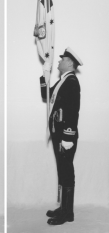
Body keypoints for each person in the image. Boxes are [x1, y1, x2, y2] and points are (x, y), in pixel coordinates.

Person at [40, 47, 83, 225]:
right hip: (59, 134)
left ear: (70, 63)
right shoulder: (63, 81)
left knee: (66, 172)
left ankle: (67, 213)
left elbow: (73, 112)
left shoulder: (72, 82)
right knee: (62, 171)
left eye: (62, 59)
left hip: (66, 136)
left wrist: (67, 136)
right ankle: (64, 208)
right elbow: (45, 95)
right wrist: (45, 74)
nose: (59, 61)